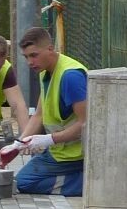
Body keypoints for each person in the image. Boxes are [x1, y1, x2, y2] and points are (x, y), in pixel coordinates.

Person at [14, 26, 88, 196]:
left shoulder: (70, 76)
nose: (29, 62)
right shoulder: (45, 71)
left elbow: (85, 123)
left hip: (74, 154)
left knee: (25, 182)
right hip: (59, 149)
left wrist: (48, 139)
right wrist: (18, 144)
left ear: (49, 49)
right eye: (26, 57)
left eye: (34, 55)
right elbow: (39, 115)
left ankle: (87, 183)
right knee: (33, 162)